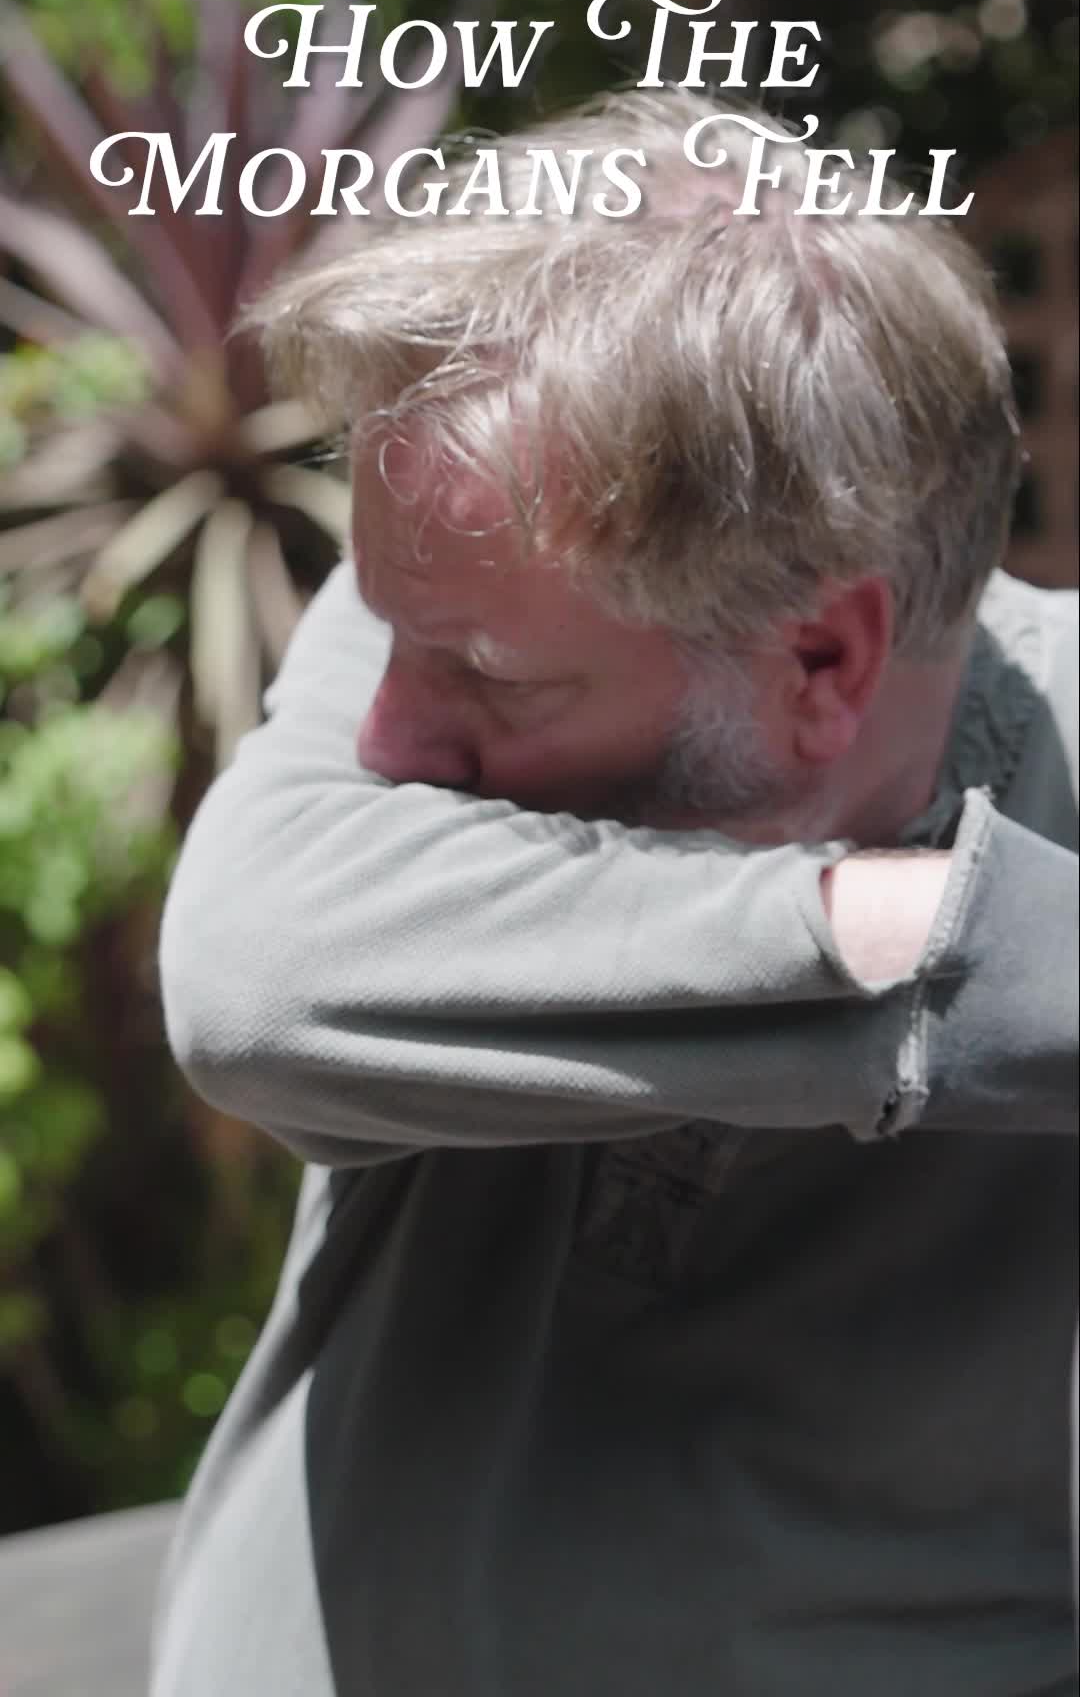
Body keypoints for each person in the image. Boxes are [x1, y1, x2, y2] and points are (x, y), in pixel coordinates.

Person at [150, 91, 1078, 1697]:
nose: (388, 740)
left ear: (821, 658)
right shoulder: (447, 584)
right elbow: (259, 981)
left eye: (493, 680)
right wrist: (939, 948)